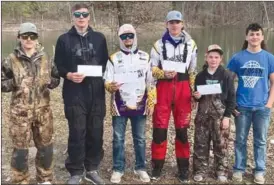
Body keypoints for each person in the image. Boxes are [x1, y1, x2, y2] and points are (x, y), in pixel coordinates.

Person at [54, 3, 108, 185]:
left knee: (96, 131)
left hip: (96, 93)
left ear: (89, 17)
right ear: (73, 17)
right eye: (78, 14)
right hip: (74, 93)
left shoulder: (100, 38)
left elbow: (106, 65)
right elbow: (58, 66)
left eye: (84, 14)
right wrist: (68, 74)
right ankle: (75, 171)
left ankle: (91, 168)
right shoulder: (63, 40)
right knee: (77, 132)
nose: (81, 17)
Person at [1, 22, 60, 184]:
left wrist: (50, 81)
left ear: (36, 39)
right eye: (25, 36)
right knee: (20, 151)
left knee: (46, 149)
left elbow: (56, 79)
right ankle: (21, 180)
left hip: (43, 114)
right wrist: (14, 82)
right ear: (19, 37)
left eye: (32, 36)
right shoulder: (10, 60)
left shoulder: (46, 58)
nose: (28, 39)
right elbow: (2, 83)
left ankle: (45, 179)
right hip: (20, 114)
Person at [104, 24, 156, 184]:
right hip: (119, 105)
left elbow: (151, 81)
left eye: (130, 36)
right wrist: (109, 86)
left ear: (135, 37)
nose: (128, 39)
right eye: (124, 36)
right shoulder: (113, 58)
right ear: (120, 39)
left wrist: (152, 100)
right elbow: (106, 80)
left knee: (140, 138)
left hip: (140, 104)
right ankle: (118, 168)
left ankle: (140, 167)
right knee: (118, 138)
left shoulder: (145, 57)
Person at [149, 10, 198, 182]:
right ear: (166, 24)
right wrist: (162, 74)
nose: (175, 25)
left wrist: (193, 93)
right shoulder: (158, 44)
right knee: (159, 131)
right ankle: (157, 166)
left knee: (182, 131)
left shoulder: (191, 44)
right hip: (163, 90)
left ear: (182, 24)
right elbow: (152, 70)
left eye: (177, 22)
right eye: (171, 22)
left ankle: (183, 168)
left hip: (183, 90)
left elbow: (192, 71)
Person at [227, 23, 274, 184]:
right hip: (242, 106)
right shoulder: (237, 57)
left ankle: (259, 170)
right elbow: (228, 82)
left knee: (260, 140)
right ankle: (239, 169)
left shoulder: (269, 58)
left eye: (257, 34)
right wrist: (231, 105)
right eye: (251, 34)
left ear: (262, 37)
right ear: (246, 37)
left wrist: (269, 104)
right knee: (240, 139)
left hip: (262, 107)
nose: (254, 37)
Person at [192, 44, 236, 183]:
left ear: (221, 59)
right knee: (201, 144)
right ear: (206, 58)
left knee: (221, 145)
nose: (213, 59)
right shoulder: (200, 76)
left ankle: (221, 170)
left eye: (216, 57)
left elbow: (232, 99)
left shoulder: (227, 75)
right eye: (210, 57)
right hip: (203, 116)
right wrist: (196, 96)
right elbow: (196, 96)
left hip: (220, 116)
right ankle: (200, 170)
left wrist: (227, 117)